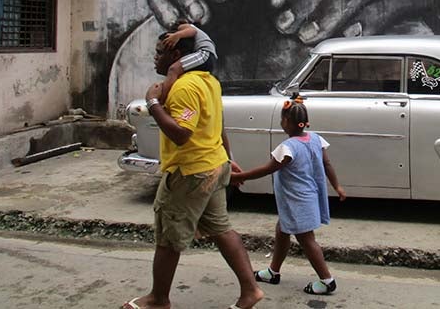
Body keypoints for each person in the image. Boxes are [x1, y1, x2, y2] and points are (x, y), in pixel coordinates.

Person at [122, 33, 263, 309]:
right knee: (221, 229)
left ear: (176, 56)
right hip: (213, 166)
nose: (155, 56)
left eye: (160, 51)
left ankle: (158, 299)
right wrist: (227, 155)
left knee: (168, 237)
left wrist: (153, 104)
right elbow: (218, 122)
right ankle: (251, 290)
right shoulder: (209, 81)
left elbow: (182, 134)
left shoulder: (184, 87)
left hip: (191, 174)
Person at [230, 95, 347, 296]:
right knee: (282, 230)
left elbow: (267, 169)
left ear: (286, 122)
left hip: (297, 202)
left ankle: (327, 280)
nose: (281, 122)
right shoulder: (316, 139)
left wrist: (238, 176)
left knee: (306, 240)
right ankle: (273, 271)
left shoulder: (287, 148)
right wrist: (337, 186)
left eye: (283, 119)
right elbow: (327, 164)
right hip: (307, 197)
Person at [159, 18, 218, 104]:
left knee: (174, 69)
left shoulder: (184, 27)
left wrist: (177, 36)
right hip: (208, 57)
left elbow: (192, 31)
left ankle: (162, 100)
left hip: (204, 54)